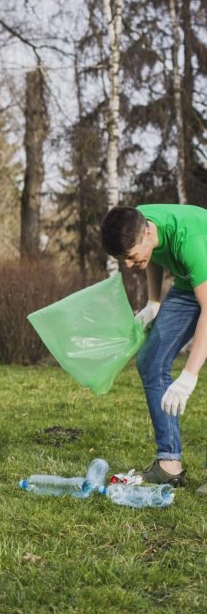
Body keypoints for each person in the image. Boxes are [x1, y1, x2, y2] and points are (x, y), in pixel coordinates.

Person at [101, 204, 207, 494]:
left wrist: (189, 376)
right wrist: (153, 302)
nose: (128, 265)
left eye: (131, 257)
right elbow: (154, 257)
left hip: (203, 276)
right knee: (150, 361)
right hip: (189, 283)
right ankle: (169, 464)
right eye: (123, 259)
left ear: (148, 233)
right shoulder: (140, 221)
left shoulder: (190, 240)